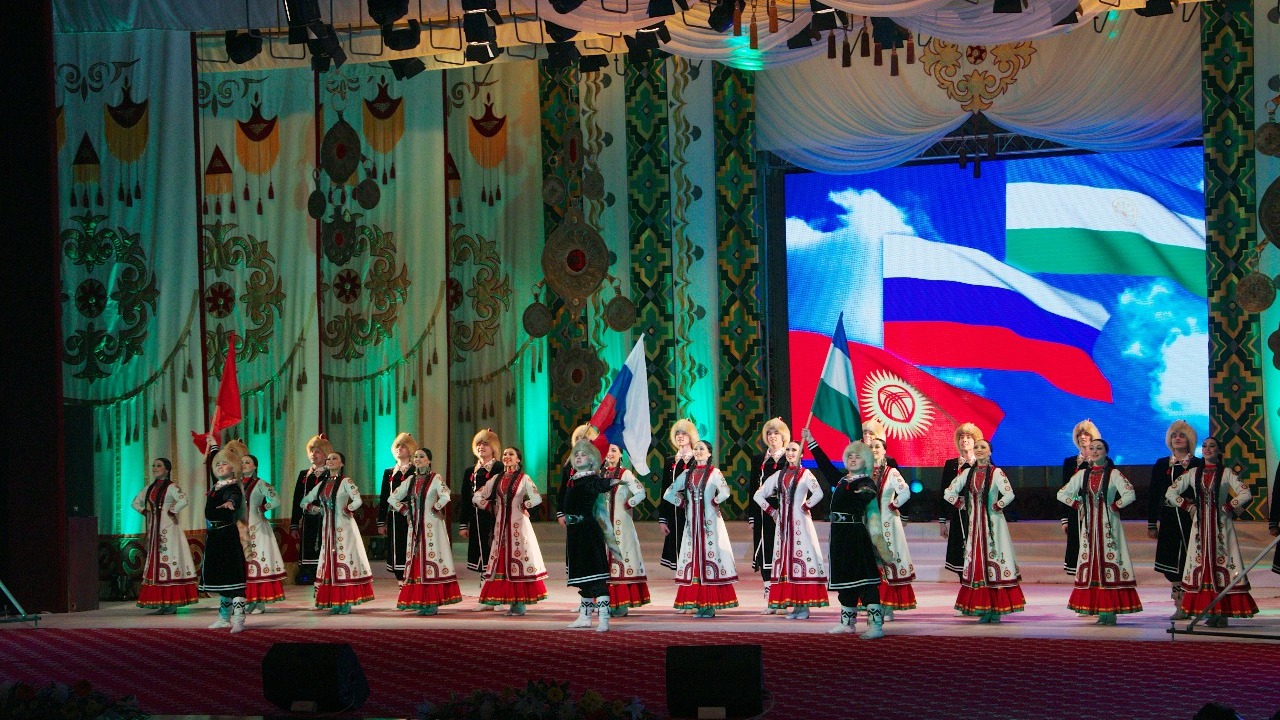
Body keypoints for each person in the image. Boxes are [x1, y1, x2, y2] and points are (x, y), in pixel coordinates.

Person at [1167, 437, 1256, 627]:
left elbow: (1246, 493)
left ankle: (1222, 613)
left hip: (1221, 526)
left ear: (1219, 451)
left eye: (1212, 446)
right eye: (1205, 446)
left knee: (1223, 566)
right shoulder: (1193, 473)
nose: (1207, 449)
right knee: (1201, 567)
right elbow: (1170, 492)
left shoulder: (1227, 473)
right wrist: (1188, 506)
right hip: (1200, 527)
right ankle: (1209, 611)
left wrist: (1229, 506)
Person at [804, 429, 884, 639]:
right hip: (839, 536)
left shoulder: (866, 482)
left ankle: (876, 625)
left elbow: (862, 498)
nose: (853, 459)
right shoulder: (843, 480)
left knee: (864, 579)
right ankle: (847, 623)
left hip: (855, 534)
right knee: (845, 578)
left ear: (866, 461)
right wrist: (811, 441)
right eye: (850, 456)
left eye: (858, 456)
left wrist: (851, 489)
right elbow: (825, 466)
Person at [1058, 438, 1142, 625]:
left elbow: (1130, 494)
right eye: (1092, 448)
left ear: (1106, 452)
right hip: (1089, 527)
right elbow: (1062, 493)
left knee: (1109, 563)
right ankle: (1098, 608)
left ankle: (1110, 611)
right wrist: (1078, 505)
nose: (1095, 451)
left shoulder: (1114, 474)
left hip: (1108, 526)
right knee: (1092, 565)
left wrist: (1115, 505)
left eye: (1099, 448)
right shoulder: (1082, 475)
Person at [943, 439, 1025, 623]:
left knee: (994, 563)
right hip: (974, 526)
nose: (979, 450)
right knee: (978, 565)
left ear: (990, 452)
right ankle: (985, 607)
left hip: (993, 525)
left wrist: (998, 505)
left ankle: (996, 609)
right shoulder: (967, 473)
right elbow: (948, 492)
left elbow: (1009, 494)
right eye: (977, 447)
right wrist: (960, 503)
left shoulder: (996, 472)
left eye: (983, 447)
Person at [664, 439, 738, 618]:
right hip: (692, 524)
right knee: (694, 560)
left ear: (709, 453)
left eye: (701, 448)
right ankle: (698, 603)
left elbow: (726, 492)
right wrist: (683, 503)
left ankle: (710, 605)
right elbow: (668, 493)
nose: (698, 451)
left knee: (710, 559)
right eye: (696, 448)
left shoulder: (715, 472)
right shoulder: (687, 474)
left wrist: (715, 501)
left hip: (710, 523)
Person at [753, 440, 827, 619]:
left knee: (800, 562)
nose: (791, 453)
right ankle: (794, 606)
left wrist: (805, 506)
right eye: (788, 450)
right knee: (786, 563)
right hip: (783, 526)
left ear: (801, 454)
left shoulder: (806, 474)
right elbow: (758, 494)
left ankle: (804, 607)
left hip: (801, 524)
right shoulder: (779, 475)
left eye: (794, 450)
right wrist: (772, 511)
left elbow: (819, 493)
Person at [474, 447, 548, 615]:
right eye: (505, 454)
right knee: (502, 560)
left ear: (518, 459)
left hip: (518, 524)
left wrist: (525, 505)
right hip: (501, 526)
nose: (507, 456)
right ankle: (510, 601)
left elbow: (536, 498)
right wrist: (489, 506)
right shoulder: (496, 479)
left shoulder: (524, 478)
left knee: (518, 559)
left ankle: (519, 603)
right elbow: (477, 496)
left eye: (511, 454)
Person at [300, 451, 375, 614]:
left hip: (344, 527)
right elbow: (304, 501)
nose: (330, 460)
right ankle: (334, 600)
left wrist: (349, 508)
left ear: (342, 464)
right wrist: (316, 509)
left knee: (344, 560)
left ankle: (346, 601)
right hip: (327, 528)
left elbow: (358, 500)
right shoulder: (322, 484)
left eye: (334, 458)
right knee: (329, 561)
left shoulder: (346, 481)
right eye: (328, 458)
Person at [391, 447, 463, 615]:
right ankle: (421, 601)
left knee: (431, 559)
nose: (417, 459)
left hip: (432, 525)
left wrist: (435, 508)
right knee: (417, 560)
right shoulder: (410, 480)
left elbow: (446, 495)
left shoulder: (435, 478)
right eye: (415, 456)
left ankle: (432, 602)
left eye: (421, 456)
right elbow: (392, 498)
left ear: (429, 460)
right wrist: (405, 511)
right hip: (415, 526)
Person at [559, 440, 618, 631]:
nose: (578, 457)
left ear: (592, 459)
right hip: (575, 532)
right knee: (583, 577)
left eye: (583, 454)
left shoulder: (591, 478)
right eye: (576, 454)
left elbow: (599, 485)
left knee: (596, 576)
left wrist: (614, 481)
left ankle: (603, 619)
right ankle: (585, 617)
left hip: (587, 532)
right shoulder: (574, 479)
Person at [1149, 419, 1202, 619]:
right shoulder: (1162, 464)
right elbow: (1154, 494)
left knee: (1191, 559)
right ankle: (1180, 605)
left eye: (1181, 435)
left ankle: (1196, 604)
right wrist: (1152, 523)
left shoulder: (1198, 464)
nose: (1177, 438)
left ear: (1189, 439)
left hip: (1191, 519)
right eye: (1174, 435)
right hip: (1169, 519)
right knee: (1171, 562)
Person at [131, 458, 198, 613]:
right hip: (155, 528)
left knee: (169, 560)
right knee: (156, 563)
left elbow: (183, 500)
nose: (155, 468)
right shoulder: (149, 488)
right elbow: (135, 503)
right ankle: (162, 602)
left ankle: (171, 603)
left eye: (159, 466)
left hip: (169, 528)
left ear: (167, 469)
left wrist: (171, 511)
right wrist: (146, 512)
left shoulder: (172, 487)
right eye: (154, 466)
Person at [200, 438, 249, 633]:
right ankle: (223, 617)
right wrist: (213, 445)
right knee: (222, 579)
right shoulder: (218, 485)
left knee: (233, 576)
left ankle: (239, 619)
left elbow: (234, 497)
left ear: (233, 468)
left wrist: (231, 503)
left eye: (224, 463)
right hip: (214, 535)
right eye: (218, 464)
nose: (220, 466)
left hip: (227, 535)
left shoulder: (232, 486)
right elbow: (215, 459)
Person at [600, 443, 650, 616]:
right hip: (603, 523)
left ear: (621, 454)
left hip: (621, 524)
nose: (610, 453)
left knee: (621, 560)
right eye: (608, 450)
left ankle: (621, 604)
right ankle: (605, 603)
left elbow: (641, 492)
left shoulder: (625, 474)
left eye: (614, 450)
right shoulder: (600, 475)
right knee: (603, 561)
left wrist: (629, 503)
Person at [869, 435, 915, 618]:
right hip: (869, 523)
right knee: (872, 563)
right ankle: (873, 604)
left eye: (877, 446)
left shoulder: (892, 472)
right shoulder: (864, 472)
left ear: (884, 451)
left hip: (887, 523)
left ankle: (888, 606)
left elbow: (905, 491)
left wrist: (893, 505)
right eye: (871, 447)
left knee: (888, 560)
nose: (874, 449)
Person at [748, 418, 789, 614]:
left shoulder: (789, 457)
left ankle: (784, 598)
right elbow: (752, 489)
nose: (772, 437)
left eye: (776, 433)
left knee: (781, 552)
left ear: (783, 436)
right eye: (769, 433)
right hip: (762, 512)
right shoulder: (759, 459)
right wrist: (752, 517)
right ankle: (771, 600)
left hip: (782, 511)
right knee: (764, 551)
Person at [460, 428, 502, 604]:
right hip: (476, 519)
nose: (481, 447)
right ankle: (485, 594)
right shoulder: (470, 471)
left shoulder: (499, 467)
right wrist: (463, 524)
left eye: (485, 444)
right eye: (478, 444)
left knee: (493, 553)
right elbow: (465, 498)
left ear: (493, 448)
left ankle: (494, 595)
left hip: (493, 518)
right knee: (481, 555)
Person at [241, 453, 286, 614]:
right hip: (241, 529)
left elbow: (276, 500)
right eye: (242, 462)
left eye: (247, 462)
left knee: (258, 563)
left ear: (255, 466)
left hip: (257, 529)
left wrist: (263, 508)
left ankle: (260, 602)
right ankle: (248, 600)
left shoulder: (261, 484)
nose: (244, 464)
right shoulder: (236, 484)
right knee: (244, 565)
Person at [939, 423, 982, 578]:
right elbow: (943, 492)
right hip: (957, 515)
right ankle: (964, 586)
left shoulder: (983, 462)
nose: (964, 440)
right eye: (961, 437)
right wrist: (942, 521)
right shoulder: (951, 464)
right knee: (959, 555)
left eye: (968, 437)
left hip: (978, 515)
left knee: (978, 553)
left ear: (975, 440)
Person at [290, 434, 331, 585]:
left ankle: (325, 574)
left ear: (325, 454)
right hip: (308, 519)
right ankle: (308, 574)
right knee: (307, 547)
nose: (313, 454)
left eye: (317, 451)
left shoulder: (330, 473)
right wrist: (294, 524)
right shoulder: (304, 474)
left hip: (325, 518)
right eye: (312, 451)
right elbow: (297, 499)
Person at [659, 419, 699, 572]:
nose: (680, 436)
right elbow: (665, 489)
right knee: (676, 542)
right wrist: (663, 519)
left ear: (691, 436)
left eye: (684, 433)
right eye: (677, 433)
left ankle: (693, 574)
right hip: (673, 510)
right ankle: (681, 574)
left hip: (692, 508)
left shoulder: (697, 459)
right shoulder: (670, 461)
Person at [377, 432, 417, 582]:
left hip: (411, 516)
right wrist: (381, 522)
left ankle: (411, 581)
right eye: (398, 446)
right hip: (394, 516)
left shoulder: (415, 470)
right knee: (396, 549)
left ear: (410, 449)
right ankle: (401, 583)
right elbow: (384, 497)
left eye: (403, 446)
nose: (400, 448)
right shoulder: (389, 472)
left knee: (410, 547)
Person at [1061, 420, 1099, 577]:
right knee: (1076, 549)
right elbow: (1064, 491)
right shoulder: (1070, 462)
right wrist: (1065, 519)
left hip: (1096, 511)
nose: (1082, 437)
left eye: (1086, 434)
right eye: (1079, 434)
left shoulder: (1102, 460)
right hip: (1075, 512)